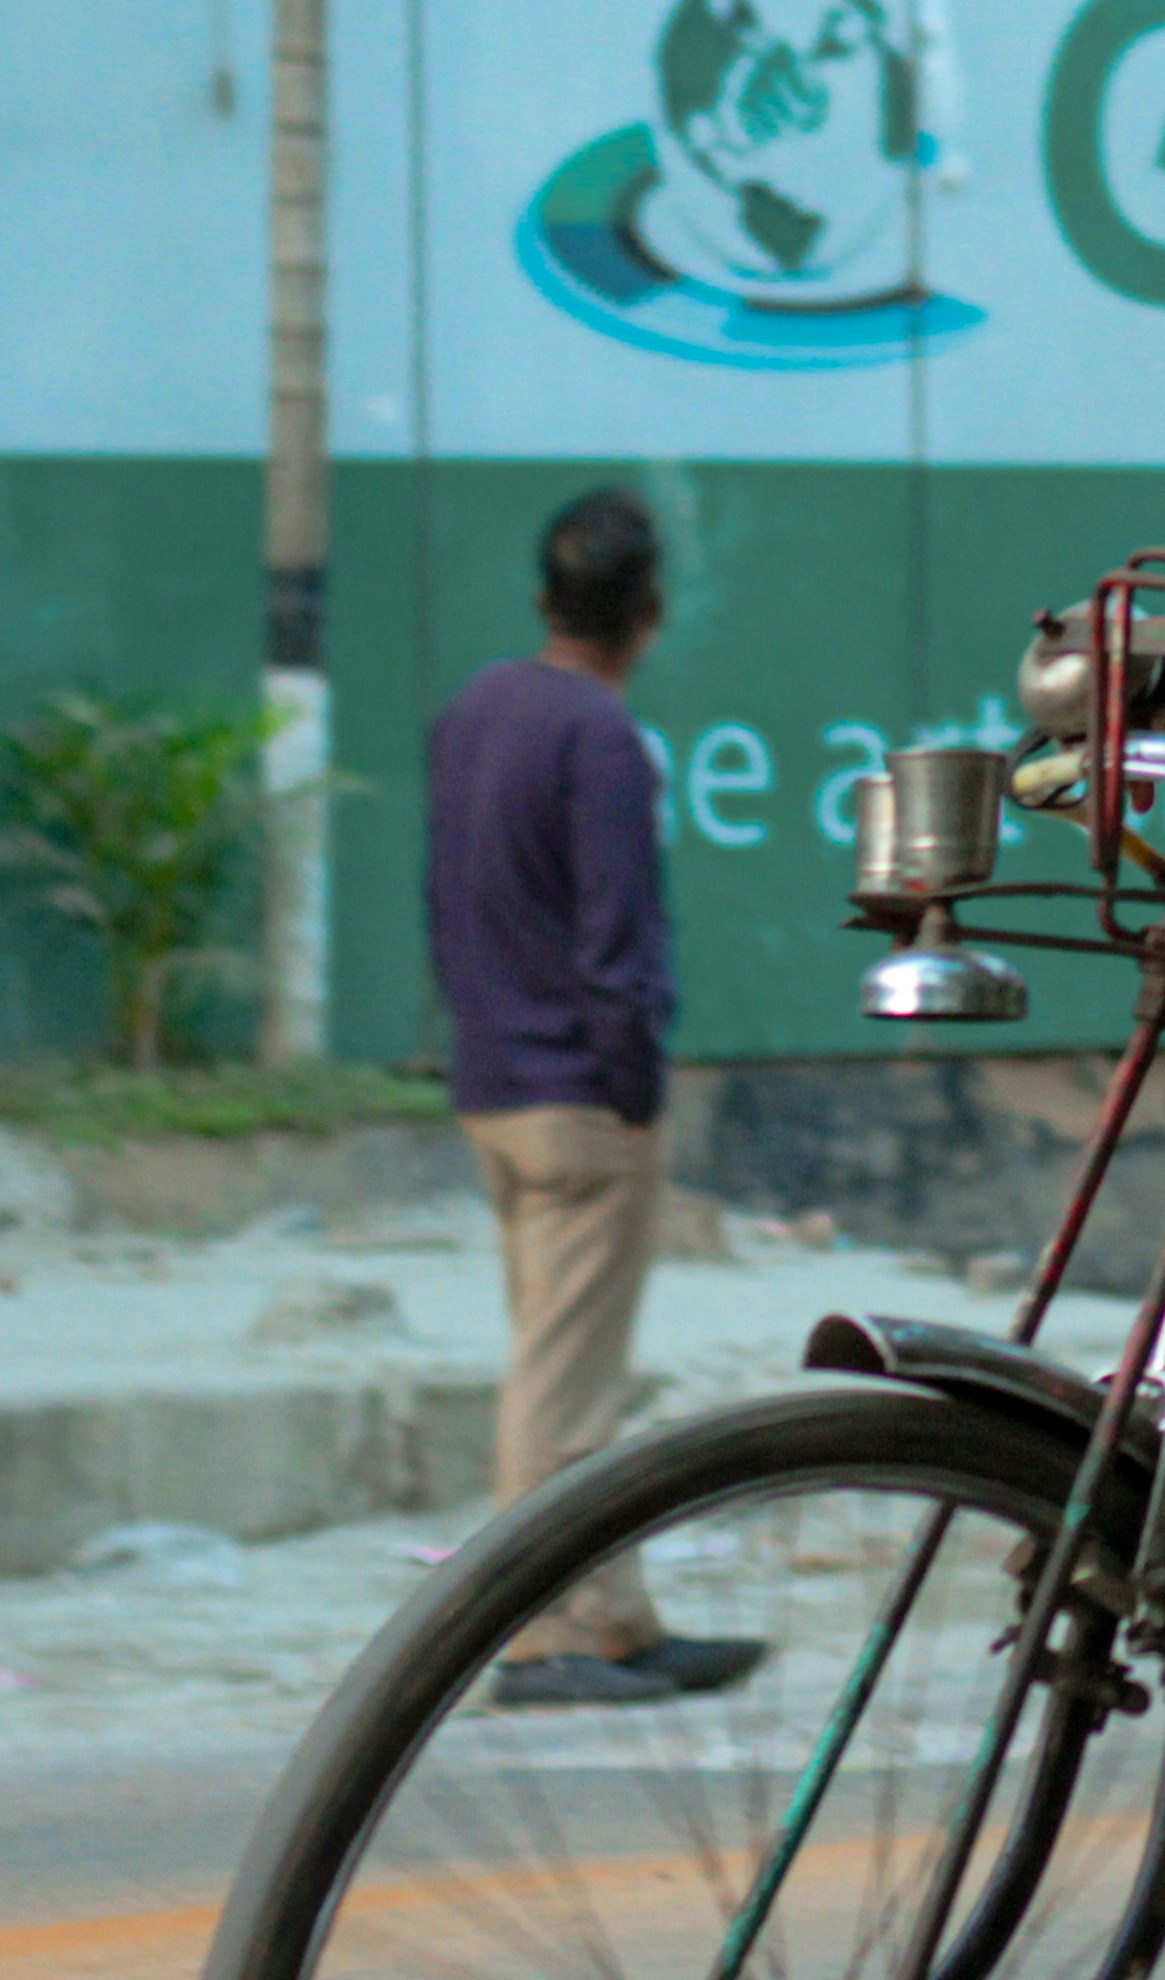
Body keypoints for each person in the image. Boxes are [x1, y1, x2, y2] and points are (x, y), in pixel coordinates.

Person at [424, 486, 762, 1710]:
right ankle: (542, 1639)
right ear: (649, 614)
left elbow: (446, 900)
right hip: (582, 1097)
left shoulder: (476, 709)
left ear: (544, 598)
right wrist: (633, 1089)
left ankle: (616, 1623)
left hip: (493, 1084)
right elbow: (619, 943)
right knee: (564, 1396)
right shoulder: (602, 739)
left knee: (568, 1369)